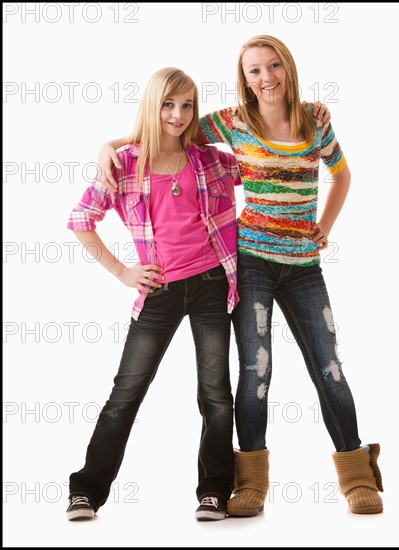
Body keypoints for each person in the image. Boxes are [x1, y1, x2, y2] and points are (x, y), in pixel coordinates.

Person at [97, 35, 384, 517]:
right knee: (255, 373)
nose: (266, 78)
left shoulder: (315, 121)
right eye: (254, 71)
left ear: (288, 68)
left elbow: (343, 174)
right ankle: (249, 480)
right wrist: (113, 142)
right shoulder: (232, 122)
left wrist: (325, 229)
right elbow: (173, 131)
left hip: (303, 268)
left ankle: (356, 472)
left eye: (273, 67)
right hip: (250, 262)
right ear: (243, 78)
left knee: (329, 367)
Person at [66, 67, 242, 522]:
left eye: (187, 105)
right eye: (168, 104)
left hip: (211, 287)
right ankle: (86, 489)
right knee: (127, 391)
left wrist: (306, 116)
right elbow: (81, 220)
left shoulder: (210, 160)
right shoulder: (124, 162)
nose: (178, 115)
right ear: (153, 106)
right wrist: (123, 271)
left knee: (216, 394)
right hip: (159, 290)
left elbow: (262, 162)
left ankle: (214, 491)